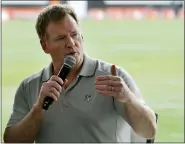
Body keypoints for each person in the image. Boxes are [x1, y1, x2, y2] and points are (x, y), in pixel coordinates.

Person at [3, 4, 157, 143]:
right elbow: (12, 141)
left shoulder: (113, 77)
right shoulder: (30, 87)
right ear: (45, 45)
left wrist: (128, 98)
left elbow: (149, 131)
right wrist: (38, 109)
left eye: (74, 34)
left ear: (82, 36)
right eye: (61, 38)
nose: (71, 43)